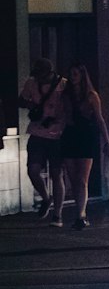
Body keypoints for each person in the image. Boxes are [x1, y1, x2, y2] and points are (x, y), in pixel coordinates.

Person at [58, 62, 109, 230]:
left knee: (82, 179)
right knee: (73, 178)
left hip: (86, 136)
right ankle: (79, 211)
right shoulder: (65, 95)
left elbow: (99, 119)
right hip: (70, 135)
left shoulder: (91, 95)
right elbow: (63, 116)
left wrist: (107, 141)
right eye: (71, 73)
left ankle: (81, 214)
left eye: (76, 74)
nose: (73, 77)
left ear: (82, 76)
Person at [18, 58, 68, 221]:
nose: (38, 78)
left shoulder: (63, 85)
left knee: (56, 174)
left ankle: (57, 214)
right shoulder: (31, 84)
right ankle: (46, 198)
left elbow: (69, 107)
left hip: (57, 134)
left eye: (41, 75)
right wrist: (31, 105)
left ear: (49, 73)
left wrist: (57, 118)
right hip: (37, 132)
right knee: (32, 170)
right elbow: (21, 100)